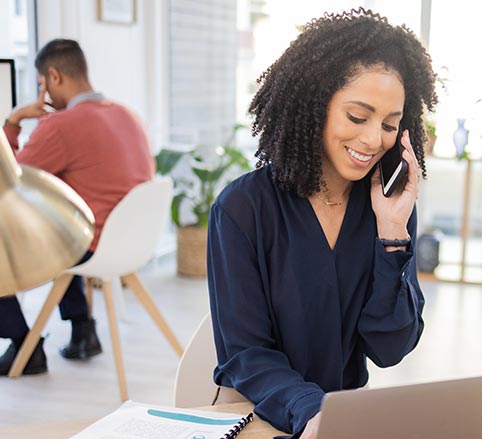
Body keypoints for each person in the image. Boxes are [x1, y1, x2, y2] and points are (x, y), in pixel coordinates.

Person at [207, 9, 436, 438]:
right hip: (258, 418)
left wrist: (392, 234)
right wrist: (313, 411)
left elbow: (389, 349)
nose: (373, 139)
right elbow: (246, 354)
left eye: (390, 124)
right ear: (314, 103)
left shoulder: (388, 209)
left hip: (341, 424)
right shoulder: (243, 209)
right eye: (357, 117)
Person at [0, 39, 154, 375]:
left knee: (39, 238)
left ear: (53, 77)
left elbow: (8, 183)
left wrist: (13, 122)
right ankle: (83, 330)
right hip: (131, 242)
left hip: (89, 245)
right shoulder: (127, 113)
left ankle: (23, 345)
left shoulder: (59, 126)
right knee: (60, 227)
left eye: (41, 84)